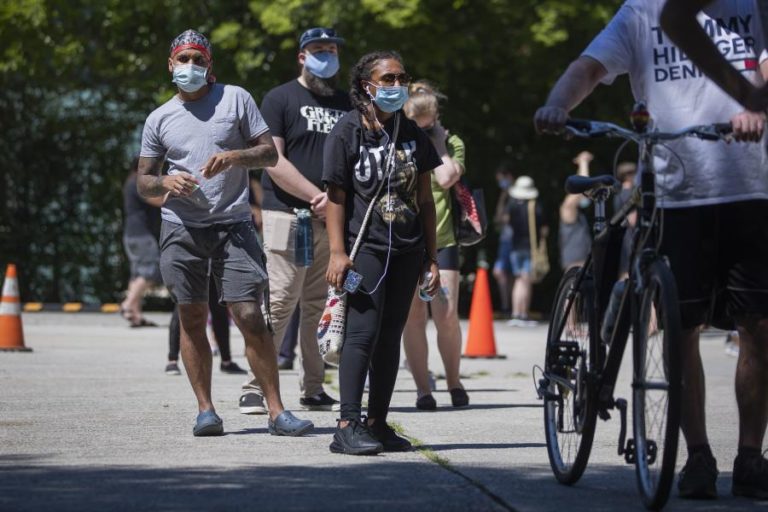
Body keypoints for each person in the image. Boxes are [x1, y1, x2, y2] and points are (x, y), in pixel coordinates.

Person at [533, 0, 768, 499]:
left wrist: (754, 106)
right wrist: (558, 104)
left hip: (751, 187)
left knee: (759, 327)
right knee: (682, 328)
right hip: (677, 192)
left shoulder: (751, 5)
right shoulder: (642, 11)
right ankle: (698, 456)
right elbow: (588, 68)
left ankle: (750, 457)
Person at [137, 29, 313, 437]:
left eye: (198, 60)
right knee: (192, 315)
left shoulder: (237, 98)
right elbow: (143, 180)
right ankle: (206, 410)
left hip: (233, 224)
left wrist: (235, 156)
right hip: (182, 227)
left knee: (250, 315)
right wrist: (166, 183)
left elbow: (270, 153)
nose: (190, 67)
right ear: (170, 64)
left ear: (209, 65)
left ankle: (276, 411)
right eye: (183, 59)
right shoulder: (159, 118)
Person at [323, 50, 442, 455]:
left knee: (391, 336)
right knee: (363, 334)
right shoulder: (348, 130)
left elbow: (425, 199)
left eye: (401, 78)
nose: (396, 86)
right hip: (365, 249)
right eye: (387, 79)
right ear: (365, 86)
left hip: (408, 249)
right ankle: (347, 423)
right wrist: (337, 252)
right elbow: (336, 197)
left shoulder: (412, 133)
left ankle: (377, 423)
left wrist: (431, 256)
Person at [238, 27, 350, 415]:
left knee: (320, 305)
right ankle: (254, 388)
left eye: (332, 50)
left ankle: (314, 388)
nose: (327, 56)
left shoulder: (347, 103)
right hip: (288, 214)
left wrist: (334, 203)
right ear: (302, 56)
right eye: (319, 50)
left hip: (330, 220)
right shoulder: (280, 98)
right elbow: (272, 160)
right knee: (281, 300)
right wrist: (316, 196)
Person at [401, 81, 469, 411]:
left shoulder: (452, 142)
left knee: (446, 314)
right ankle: (422, 389)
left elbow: (445, 179)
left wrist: (439, 144)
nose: (423, 128)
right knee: (413, 316)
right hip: (407, 238)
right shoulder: (400, 139)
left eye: (429, 121)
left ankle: (454, 381)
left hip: (443, 240)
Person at [661, 0, 768, 113]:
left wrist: (754, 105)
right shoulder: (644, 11)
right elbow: (675, 17)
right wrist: (749, 98)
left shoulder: (754, 5)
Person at [165, 275, 247, 376]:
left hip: (214, 263)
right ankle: (172, 360)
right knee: (182, 305)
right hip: (191, 264)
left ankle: (226, 361)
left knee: (219, 308)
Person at [121, 158, 162, 328]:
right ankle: (128, 304)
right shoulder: (139, 182)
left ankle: (135, 315)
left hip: (131, 234)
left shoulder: (129, 182)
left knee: (137, 274)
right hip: (142, 235)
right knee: (151, 270)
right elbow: (159, 201)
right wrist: (174, 190)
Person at [505, 176, 548, 327]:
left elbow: (507, 222)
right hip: (530, 247)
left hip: (515, 246)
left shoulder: (512, 205)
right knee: (526, 280)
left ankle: (516, 313)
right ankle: (523, 314)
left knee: (518, 280)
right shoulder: (535, 205)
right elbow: (543, 229)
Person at [559, 151, 593, 271]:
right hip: (576, 262)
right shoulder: (567, 208)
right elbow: (581, 187)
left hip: (581, 260)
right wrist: (584, 163)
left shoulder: (577, 211)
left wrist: (580, 166)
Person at [492, 162, 515, 315]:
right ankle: (507, 306)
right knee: (500, 272)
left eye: (502, 179)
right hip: (505, 239)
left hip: (515, 240)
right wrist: (503, 195)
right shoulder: (505, 195)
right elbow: (498, 218)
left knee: (513, 274)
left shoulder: (519, 193)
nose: (501, 183)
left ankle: (514, 307)